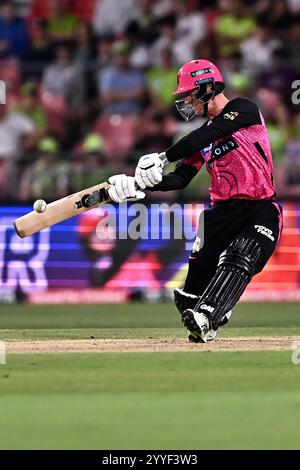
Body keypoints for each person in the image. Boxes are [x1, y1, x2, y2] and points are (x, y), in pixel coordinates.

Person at [107, 59, 283, 343]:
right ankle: (213, 311)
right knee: (188, 299)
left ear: (209, 87)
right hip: (219, 214)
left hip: (260, 209)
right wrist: (137, 184)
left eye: (190, 93)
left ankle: (211, 313)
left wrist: (163, 157)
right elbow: (180, 178)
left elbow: (207, 133)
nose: (186, 100)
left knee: (240, 257)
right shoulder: (203, 137)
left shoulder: (245, 109)